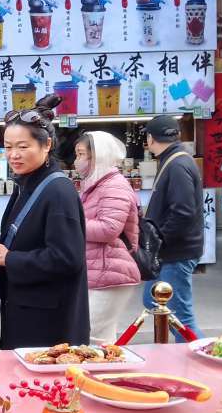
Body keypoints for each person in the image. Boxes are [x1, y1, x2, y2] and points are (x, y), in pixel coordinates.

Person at [0, 96, 89, 350]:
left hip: (49, 325)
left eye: (23, 146)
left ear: (46, 145)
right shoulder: (26, 184)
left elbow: (67, 259)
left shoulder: (58, 191)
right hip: (26, 311)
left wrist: (8, 258)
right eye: (8, 147)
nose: (13, 155)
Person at [75, 131, 140, 342]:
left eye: (81, 154)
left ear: (98, 155)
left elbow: (109, 229)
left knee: (87, 337)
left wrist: (72, 225)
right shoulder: (96, 184)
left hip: (110, 273)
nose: (77, 161)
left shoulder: (113, 185)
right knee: (103, 340)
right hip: (101, 272)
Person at [141, 115, 203, 338]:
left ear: (150, 138)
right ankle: (180, 349)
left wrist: (159, 239)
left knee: (180, 316)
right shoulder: (175, 160)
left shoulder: (177, 164)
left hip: (177, 252)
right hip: (172, 251)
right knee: (152, 299)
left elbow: (183, 212)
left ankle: (196, 354)